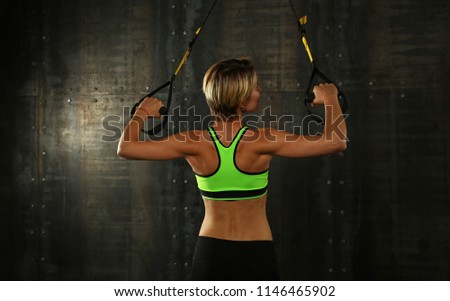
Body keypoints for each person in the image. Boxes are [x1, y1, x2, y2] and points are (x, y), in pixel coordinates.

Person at [117, 57, 347, 280]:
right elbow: (336, 141)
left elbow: (126, 148)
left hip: (211, 254)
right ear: (241, 100)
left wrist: (142, 113)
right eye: (255, 87)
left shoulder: (192, 141)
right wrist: (330, 99)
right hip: (257, 253)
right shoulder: (264, 140)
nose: (259, 90)